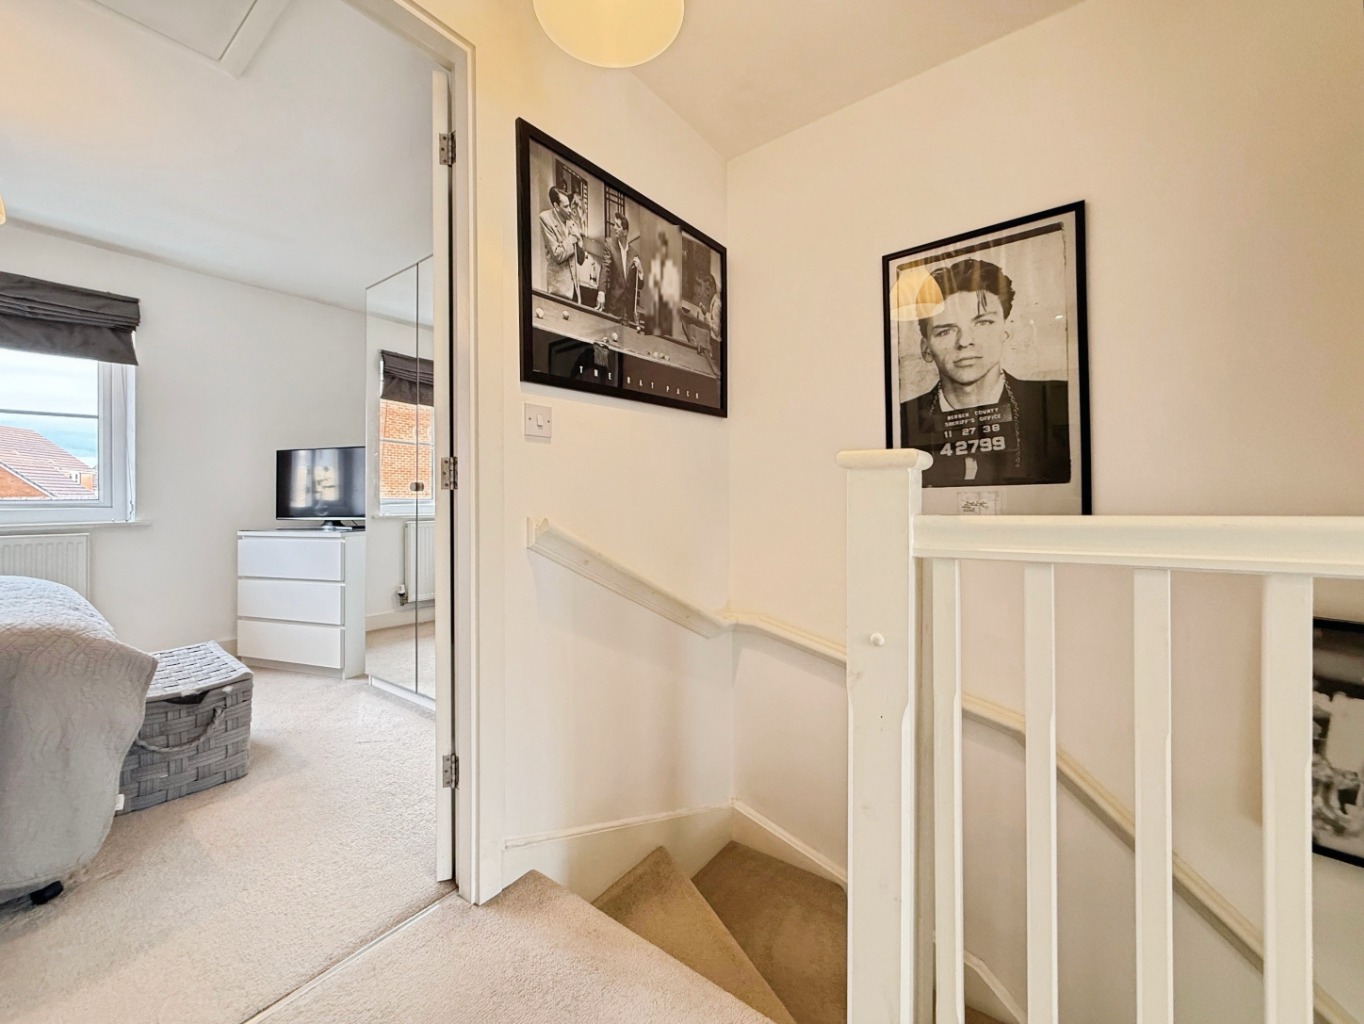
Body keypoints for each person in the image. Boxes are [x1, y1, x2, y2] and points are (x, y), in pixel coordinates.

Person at [899, 257, 1069, 488]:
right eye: (946, 331)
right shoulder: (902, 420)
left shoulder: (1058, 401)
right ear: (926, 348)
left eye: (983, 323)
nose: (965, 341)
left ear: (1006, 331)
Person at [539, 185, 584, 302]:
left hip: (575, 291)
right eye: (566, 206)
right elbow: (557, 255)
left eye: (569, 205)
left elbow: (581, 261)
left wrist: (580, 242)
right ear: (556, 206)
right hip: (558, 291)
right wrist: (571, 239)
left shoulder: (572, 221)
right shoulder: (545, 219)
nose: (570, 210)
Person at [598, 211, 642, 323]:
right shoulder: (609, 245)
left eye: (618, 226)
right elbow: (605, 268)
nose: (614, 228)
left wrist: (641, 272)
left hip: (628, 312)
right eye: (614, 225)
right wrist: (601, 292)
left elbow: (640, 285)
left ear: (625, 232)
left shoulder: (634, 254)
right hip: (613, 307)